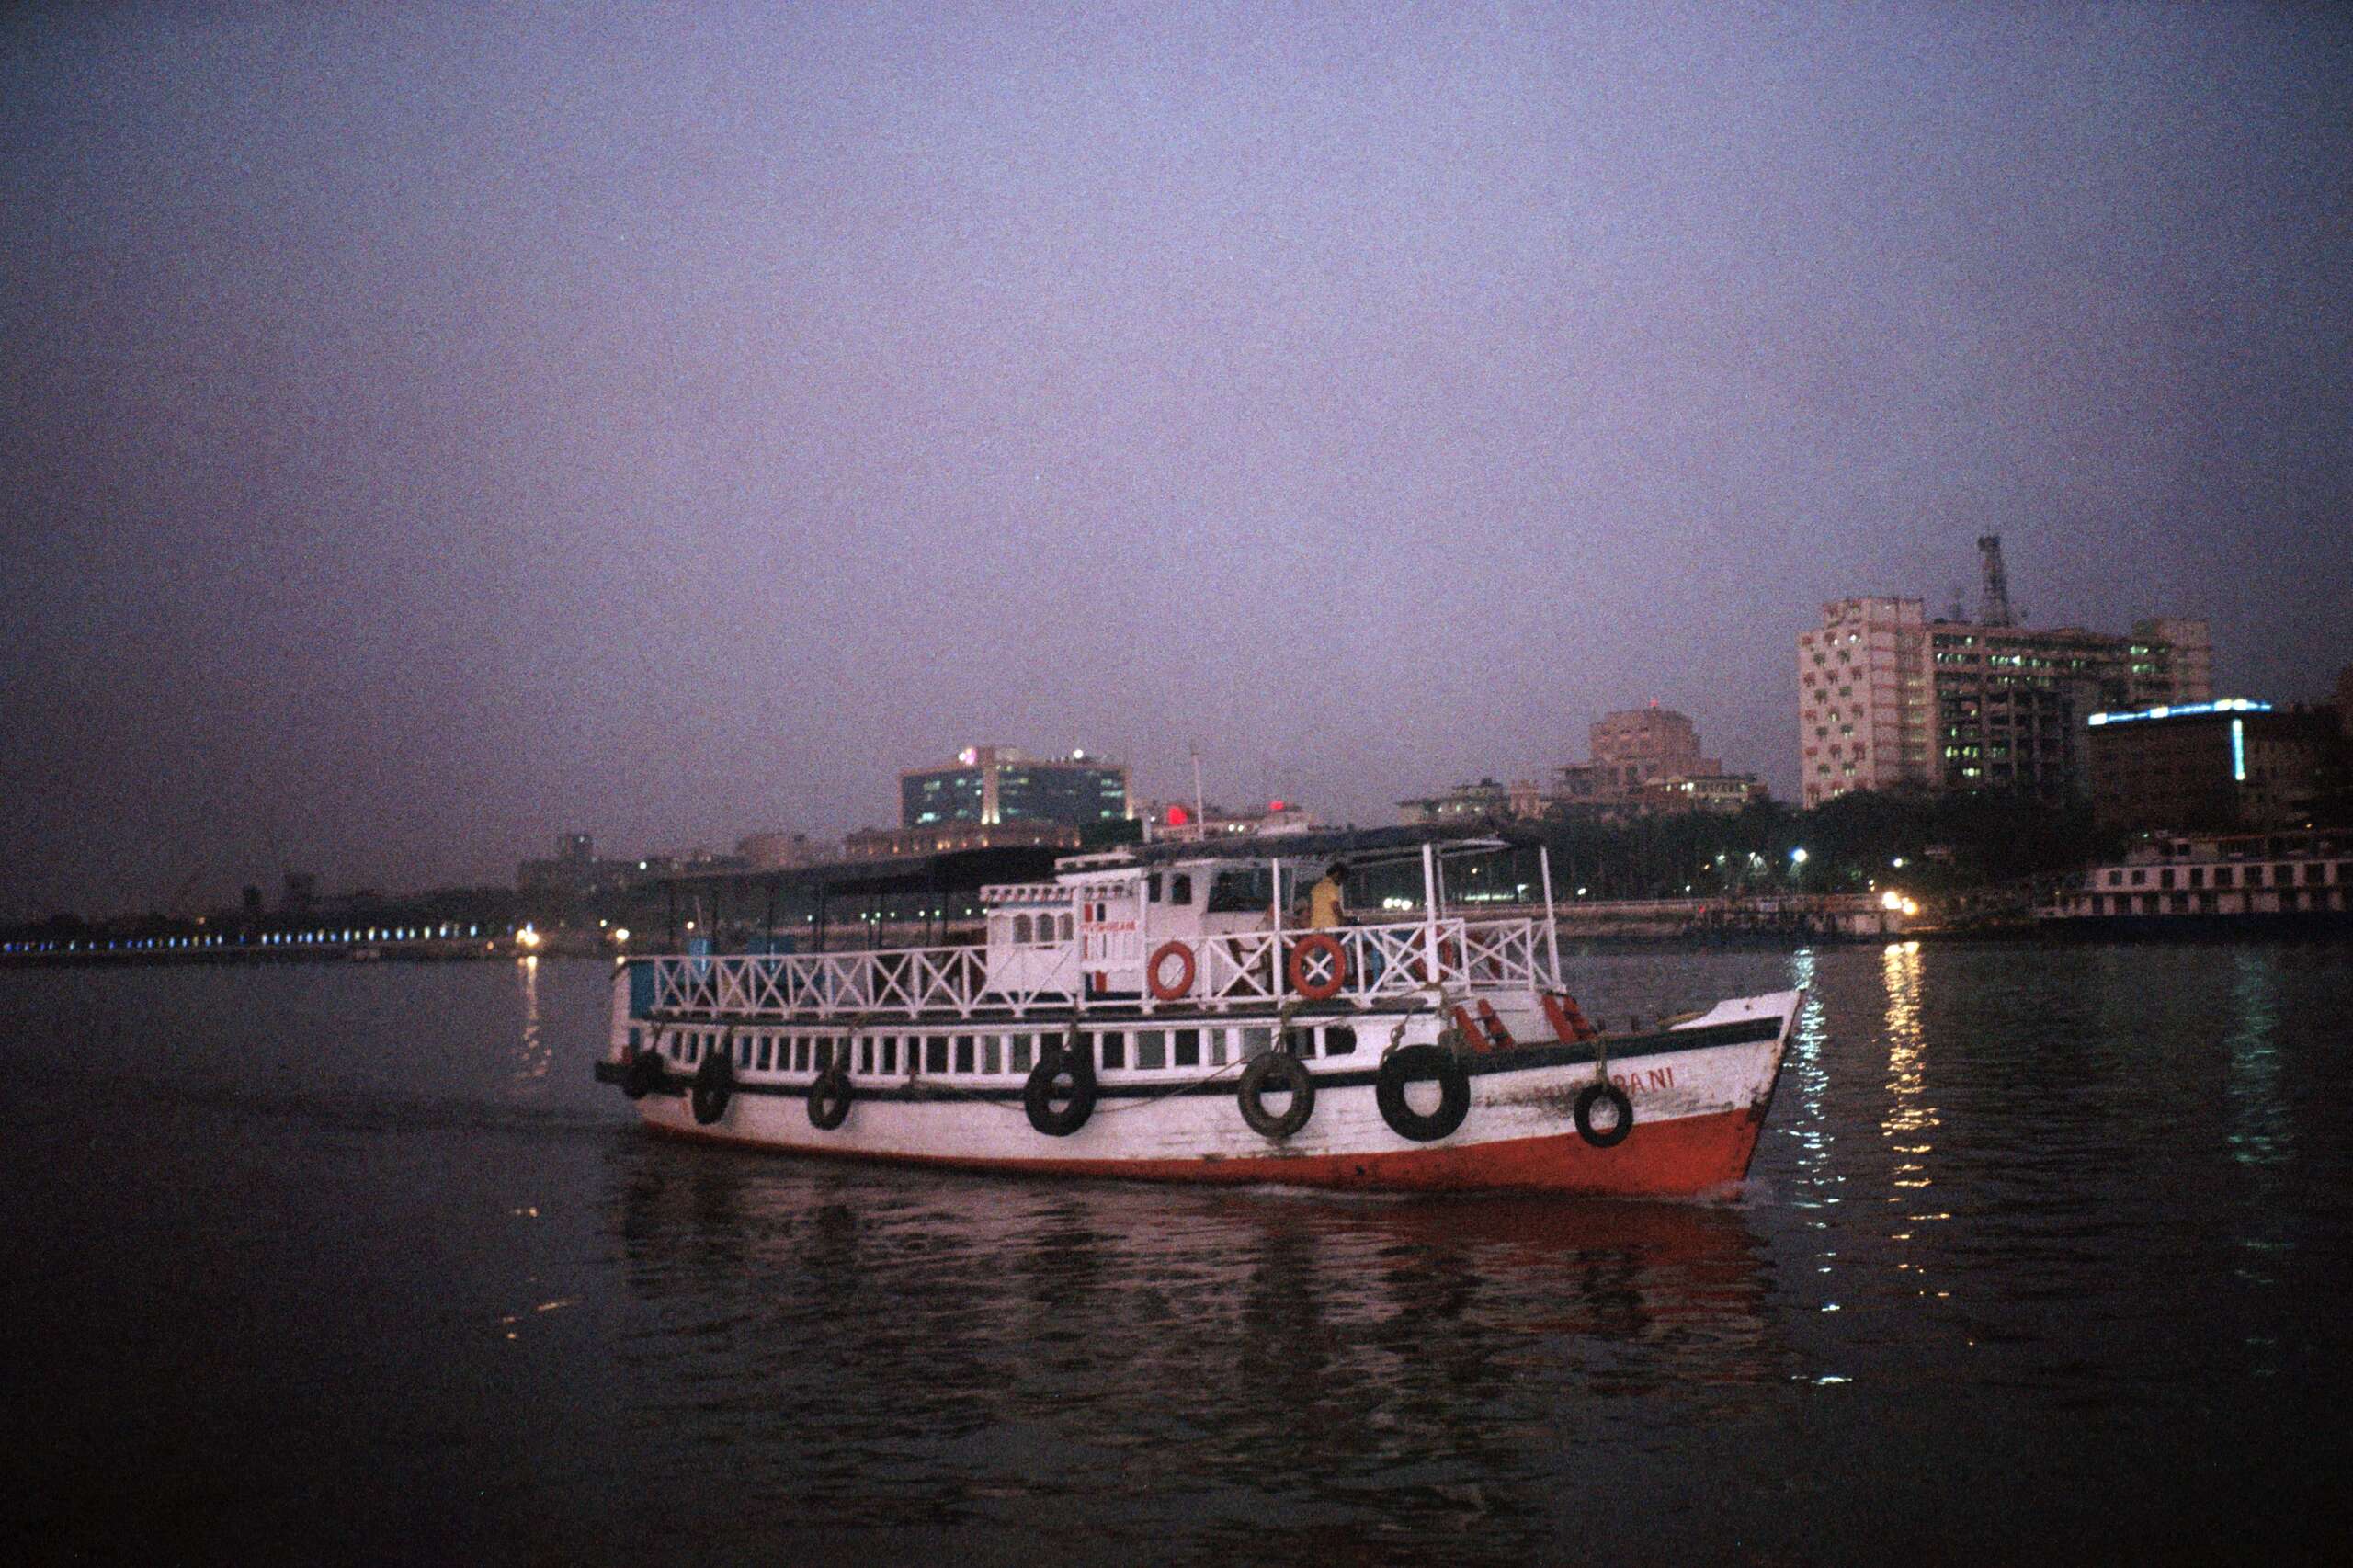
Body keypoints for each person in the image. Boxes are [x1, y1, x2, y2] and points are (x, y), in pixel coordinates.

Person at [1307, 862, 1350, 929]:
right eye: (1342, 878)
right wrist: (1342, 919)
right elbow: (1335, 905)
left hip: (1315, 926)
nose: (1341, 882)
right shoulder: (1331, 886)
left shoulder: (1316, 887)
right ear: (1337, 874)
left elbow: (1311, 907)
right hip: (1329, 925)